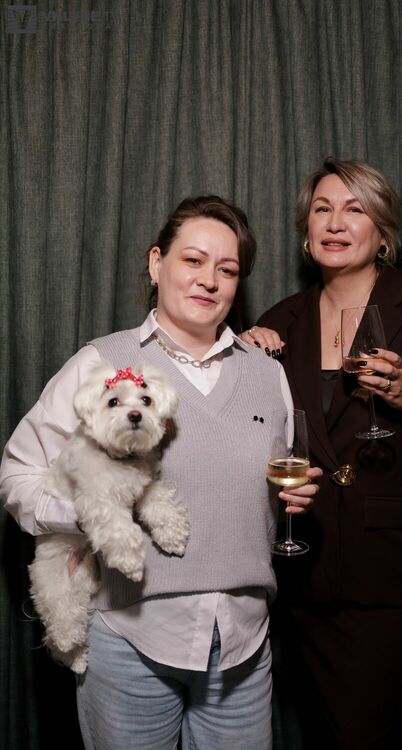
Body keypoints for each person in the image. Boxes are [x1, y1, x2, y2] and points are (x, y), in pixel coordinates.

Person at [0, 195, 321, 750]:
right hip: (131, 640)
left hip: (244, 644)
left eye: (227, 269)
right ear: (156, 263)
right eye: (193, 260)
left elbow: (265, 484)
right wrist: (93, 515)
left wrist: (294, 497)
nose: (209, 280)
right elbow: (18, 473)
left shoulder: (268, 374)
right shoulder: (102, 362)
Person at [240, 159, 402, 749]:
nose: (335, 223)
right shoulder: (279, 322)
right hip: (302, 575)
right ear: (306, 231)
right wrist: (243, 357)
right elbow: (253, 439)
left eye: (355, 209)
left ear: (383, 233)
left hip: (393, 577)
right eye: (322, 209)